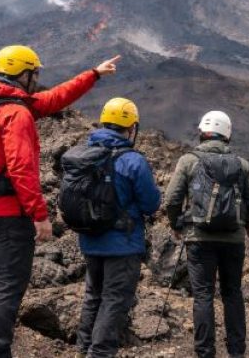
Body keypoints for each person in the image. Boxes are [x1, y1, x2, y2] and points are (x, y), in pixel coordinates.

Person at [0, 46, 120, 358]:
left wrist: (93, 74)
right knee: (6, 286)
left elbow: (54, 98)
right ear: (22, 74)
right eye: (35, 73)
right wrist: (39, 215)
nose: (38, 79)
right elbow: (21, 169)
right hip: (9, 214)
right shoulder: (15, 114)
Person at [164, 111, 249, 358]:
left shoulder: (188, 161)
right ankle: (237, 351)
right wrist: (247, 222)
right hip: (233, 240)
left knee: (203, 295)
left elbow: (172, 199)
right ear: (227, 133)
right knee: (233, 293)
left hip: (199, 238)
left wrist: (176, 224)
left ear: (202, 132)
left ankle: (205, 352)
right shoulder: (242, 164)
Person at [74, 98, 161, 358]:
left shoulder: (84, 155)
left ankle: (82, 348)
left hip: (90, 240)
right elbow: (151, 203)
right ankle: (99, 353)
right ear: (131, 128)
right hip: (122, 245)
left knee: (93, 295)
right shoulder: (133, 161)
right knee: (114, 299)